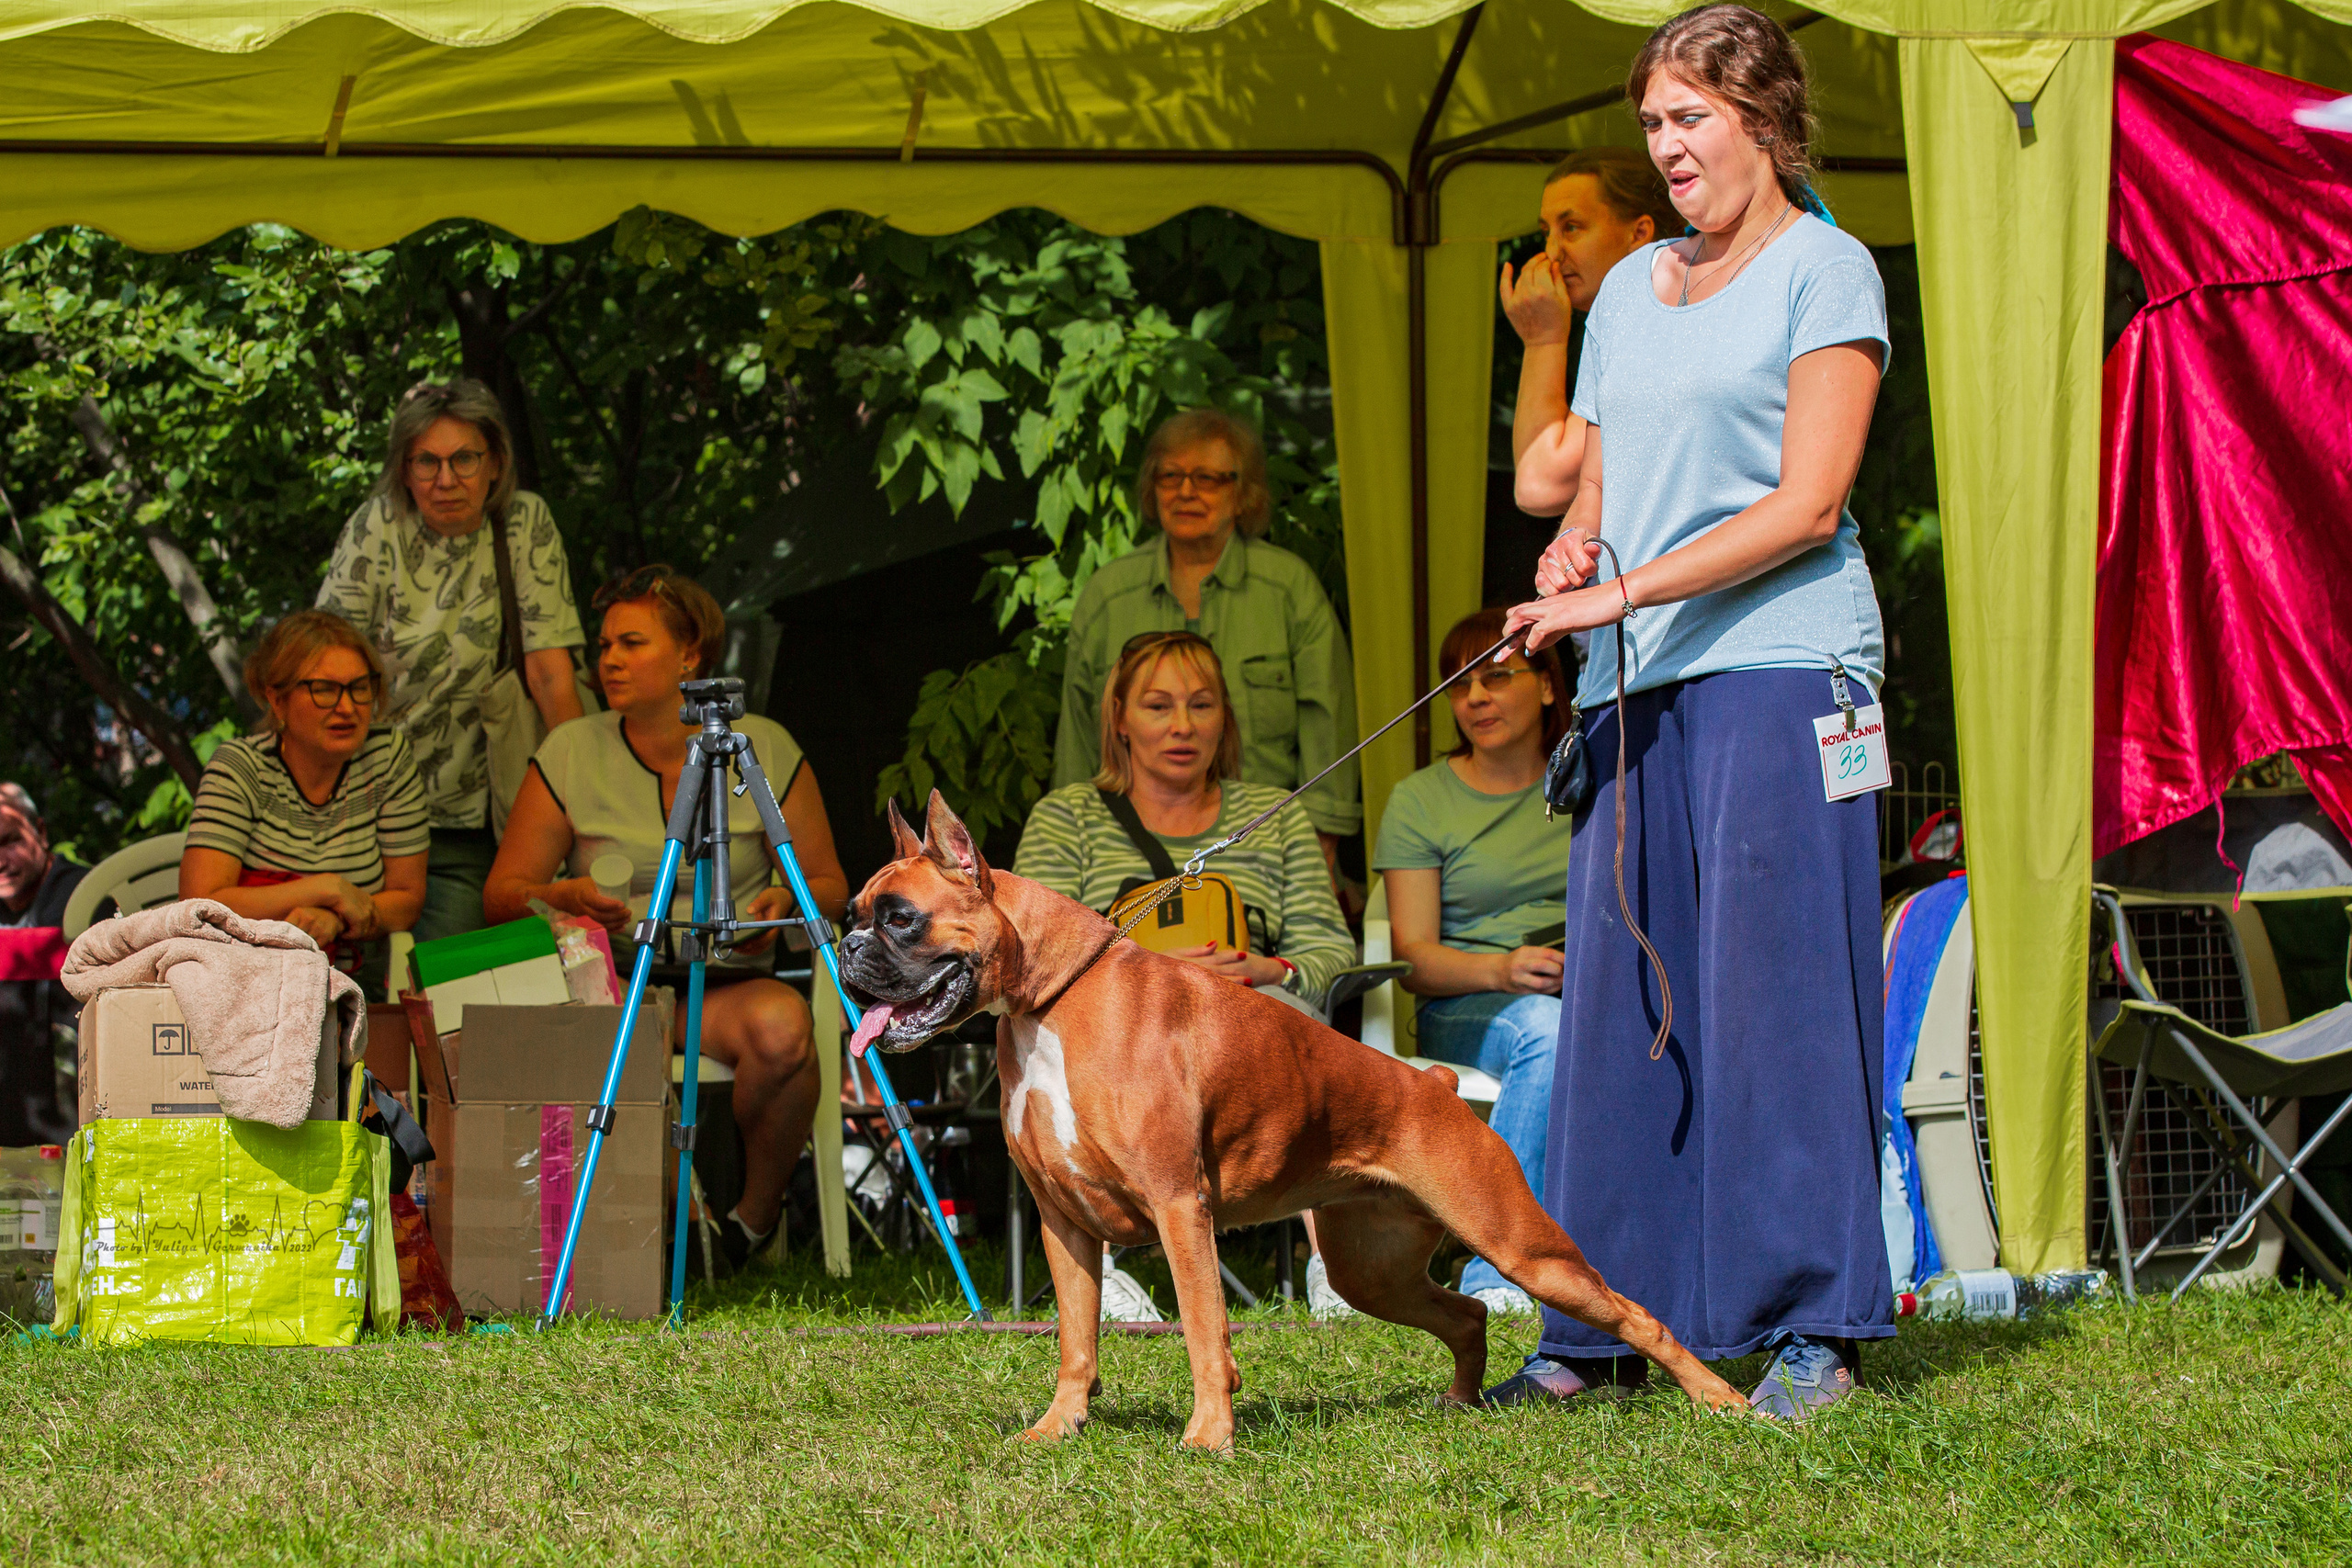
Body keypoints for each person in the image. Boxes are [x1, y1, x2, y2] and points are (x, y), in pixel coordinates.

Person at [1498, 3, 1895, 1420]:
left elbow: (1810, 504)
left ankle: (1814, 1325)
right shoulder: (1622, 295)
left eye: (1691, 120)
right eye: (1655, 124)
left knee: (1775, 997)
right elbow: (1597, 490)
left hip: (1789, 671)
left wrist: (1623, 593)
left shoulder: (1826, 270)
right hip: (1636, 680)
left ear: (1765, 122)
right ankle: (1605, 1321)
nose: (1667, 149)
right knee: (1624, 1003)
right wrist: (1576, 558)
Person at [485, 566, 848, 1271]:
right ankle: (628, 1243)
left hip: (728, 980)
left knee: (785, 1031)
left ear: (691, 655)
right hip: (616, 982)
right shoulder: (572, 750)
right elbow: (503, 893)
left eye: (631, 643)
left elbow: (831, 883)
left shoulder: (764, 746)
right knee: (611, 1036)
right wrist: (571, 895)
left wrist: (785, 899)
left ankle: (751, 1222)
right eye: (604, 646)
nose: (608, 660)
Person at [1017, 629, 1355, 1321]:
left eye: (1201, 705)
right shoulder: (1068, 817)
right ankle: (1101, 1272)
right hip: (1111, 1036)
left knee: (1311, 1040)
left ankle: (1337, 1268)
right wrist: (1163, 974)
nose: (1181, 725)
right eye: (1157, 705)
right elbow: (1027, 948)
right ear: (1118, 719)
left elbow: (1332, 950)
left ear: (1224, 719)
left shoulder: (1277, 814)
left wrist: (1268, 967)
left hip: (1251, 1025)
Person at [318, 378, 586, 946]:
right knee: (361, 971)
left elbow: (548, 670)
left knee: (458, 976)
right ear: (403, 469)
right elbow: (325, 660)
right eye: (426, 462)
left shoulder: (523, 521)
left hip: (479, 808)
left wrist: (584, 792)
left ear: (494, 462)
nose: (445, 480)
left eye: (463, 459)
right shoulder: (379, 525)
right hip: (368, 800)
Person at [1051, 409, 1361, 873]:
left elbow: (1328, 724)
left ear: (1245, 493)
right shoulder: (1108, 594)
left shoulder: (1289, 589)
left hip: (1264, 847)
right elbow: (1077, 741)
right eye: (1170, 476)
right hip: (1125, 853)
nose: (1186, 492)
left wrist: (1318, 853)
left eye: (1208, 478)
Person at [1372, 607, 1571, 1320]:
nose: (1476, 699)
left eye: (1496, 678)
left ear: (1549, 685)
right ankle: (1500, 1262)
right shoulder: (1422, 799)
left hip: (1592, 991)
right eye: (1460, 686)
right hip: (1470, 1004)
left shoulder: (1592, 778)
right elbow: (1414, 959)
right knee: (1544, 1032)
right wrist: (1503, 970)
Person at [179, 611, 432, 998]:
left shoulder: (386, 757)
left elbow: (407, 901)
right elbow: (202, 903)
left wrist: (333, 918)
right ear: (277, 700)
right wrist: (327, 889)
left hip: (354, 984)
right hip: (245, 985)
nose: (347, 708)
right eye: (324, 689)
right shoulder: (240, 767)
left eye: (359, 687)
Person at [1502, 147, 1686, 516]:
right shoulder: (1627, 321)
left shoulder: (1657, 323)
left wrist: (1543, 341)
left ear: (1639, 233)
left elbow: (1540, 484)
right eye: (1546, 233)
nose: (1551, 253)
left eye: (1572, 228)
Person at [0, 784, 86, 1144]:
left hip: (68, 1117)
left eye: (8, 841)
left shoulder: (86, 897)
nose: (0, 860)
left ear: (42, 832)